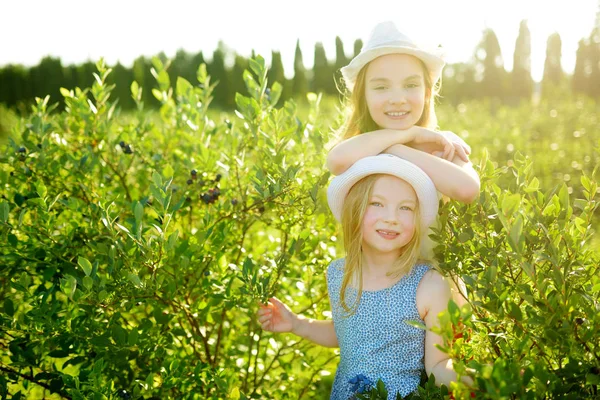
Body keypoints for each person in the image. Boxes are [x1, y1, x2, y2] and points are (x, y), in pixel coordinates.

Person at [257, 155, 473, 399]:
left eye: (405, 207)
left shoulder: (428, 284)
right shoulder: (339, 273)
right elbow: (349, 335)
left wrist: (487, 377)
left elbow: (438, 365)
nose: (391, 217)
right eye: (377, 203)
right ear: (354, 209)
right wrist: (297, 324)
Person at [327, 21, 480, 204]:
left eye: (411, 85)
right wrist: (410, 133)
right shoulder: (358, 146)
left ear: (427, 93)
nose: (398, 99)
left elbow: (467, 189)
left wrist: (394, 148)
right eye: (382, 87)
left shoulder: (445, 145)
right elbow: (336, 160)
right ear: (364, 96)